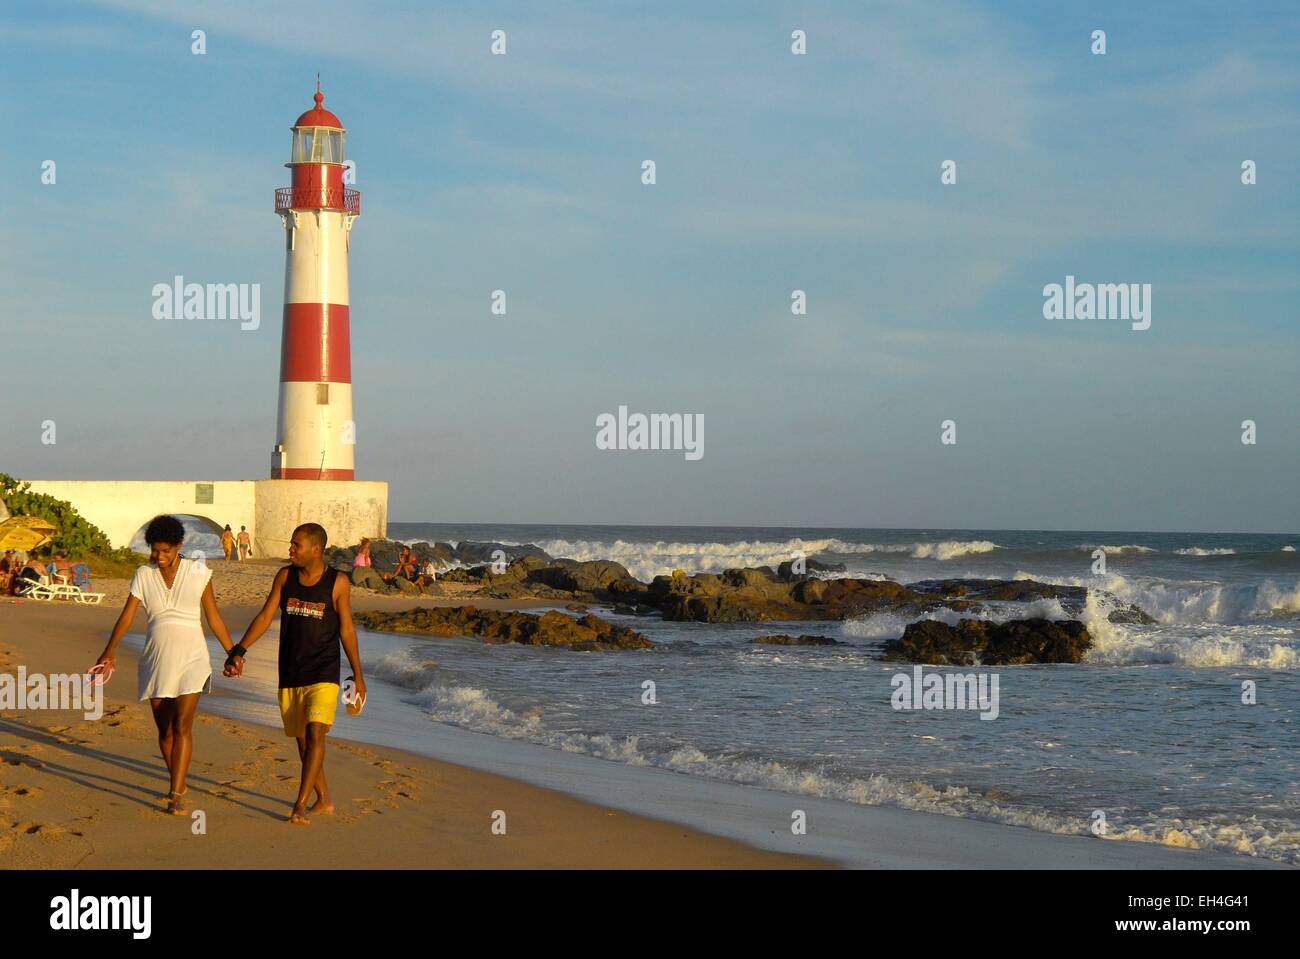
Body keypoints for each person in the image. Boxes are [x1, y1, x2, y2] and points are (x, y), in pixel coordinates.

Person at [93, 515, 238, 815]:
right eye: (155, 551)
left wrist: (233, 652)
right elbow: (127, 617)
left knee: (182, 726)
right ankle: (179, 781)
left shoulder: (198, 571)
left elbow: (214, 618)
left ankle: (175, 794)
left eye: (165, 551)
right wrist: (109, 651)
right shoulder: (143, 575)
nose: (159, 557)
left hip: (192, 657)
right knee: (165, 731)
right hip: (156, 658)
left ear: (179, 546)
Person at [226, 523, 366, 825]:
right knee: (303, 743)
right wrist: (239, 650)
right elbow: (265, 616)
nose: (290, 549)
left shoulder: (338, 582)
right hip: (290, 670)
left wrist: (358, 675)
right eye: (291, 544)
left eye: (296, 545)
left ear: (316, 549)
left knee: (317, 734)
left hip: (324, 670)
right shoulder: (285, 577)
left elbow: (347, 630)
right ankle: (324, 800)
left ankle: (300, 804)